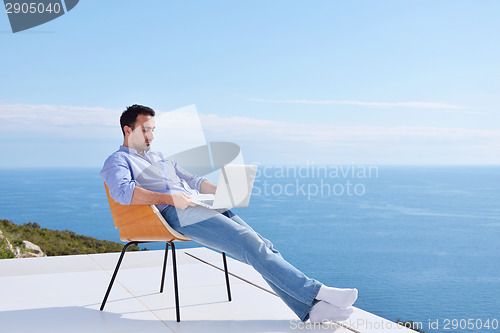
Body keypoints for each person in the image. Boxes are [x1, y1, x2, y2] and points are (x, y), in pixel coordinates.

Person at [100, 104, 358, 323]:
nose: (151, 136)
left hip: (195, 205)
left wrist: (223, 191)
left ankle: (311, 310)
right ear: (128, 130)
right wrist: (170, 198)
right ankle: (318, 292)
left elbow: (193, 180)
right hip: (175, 214)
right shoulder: (118, 161)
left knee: (260, 244)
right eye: (146, 130)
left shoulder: (160, 156)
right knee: (249, 244)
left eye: (153, 130)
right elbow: (123, 192)